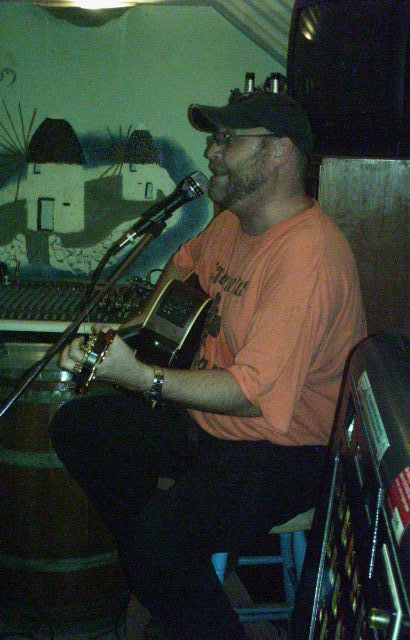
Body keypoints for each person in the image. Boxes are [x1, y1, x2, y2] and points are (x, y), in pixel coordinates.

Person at [49, 90, 366, 640]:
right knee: (79, 427)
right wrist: (150, 336)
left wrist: (139, 374)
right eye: (214, 138)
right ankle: (176, 585)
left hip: (287, 448)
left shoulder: (308, 256)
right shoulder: (232, 223)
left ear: (278, 154)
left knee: (156, 542)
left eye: (227, 140)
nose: (212, 151)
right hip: (213, 421)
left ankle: (181, 591)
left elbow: (252, 395)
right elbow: (183, 265)